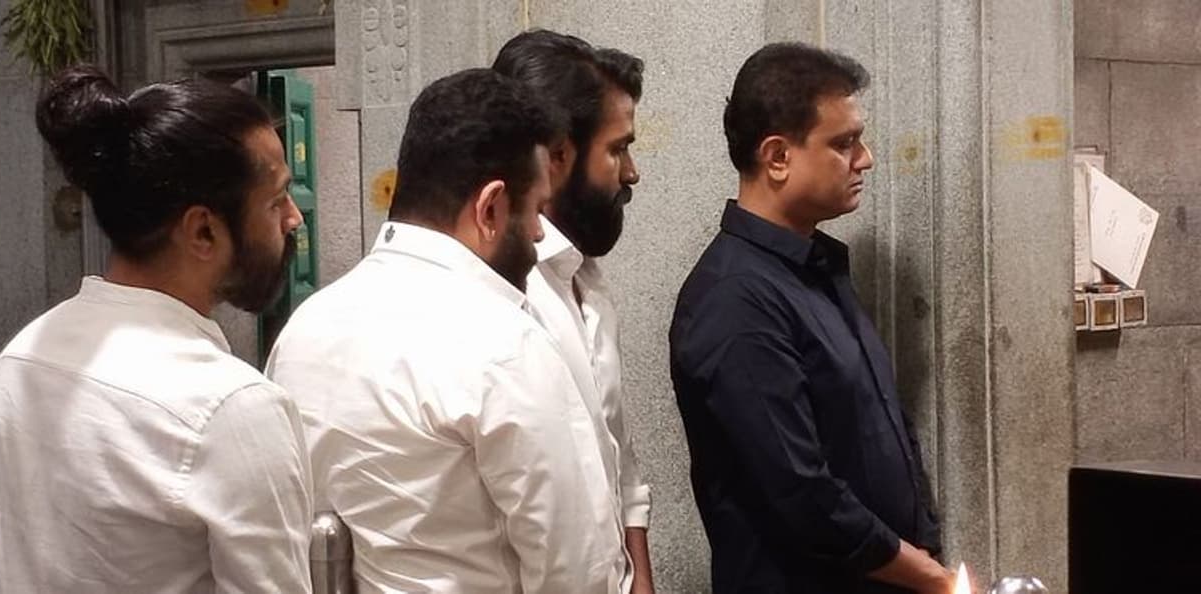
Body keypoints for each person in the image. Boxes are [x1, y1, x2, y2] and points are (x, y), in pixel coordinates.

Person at [266, 68, 627, 593]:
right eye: (534, 210)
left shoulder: (304, 331)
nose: (537, 233)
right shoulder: (505, 343)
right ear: (490, 208)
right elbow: (579, 570)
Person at [0, 66, 312, 593]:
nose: (294, 218)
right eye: (275, 200)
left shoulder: (23, 354)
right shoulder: (231, 405)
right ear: (203, 230)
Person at [669, 43, 950, 594]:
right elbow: (800, 490)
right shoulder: (735, 298)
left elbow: (882, 426)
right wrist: (929, 575)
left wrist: (924, 543)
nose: (866, 158)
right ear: (777, 157)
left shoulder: (815, 268)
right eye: (844, 143)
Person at [492, 29, 654, 594]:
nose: (631, 172)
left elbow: (617, 458)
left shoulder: (586, 280)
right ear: (558, 156)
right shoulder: (503, 294)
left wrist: (640, 577)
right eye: (617, 149)